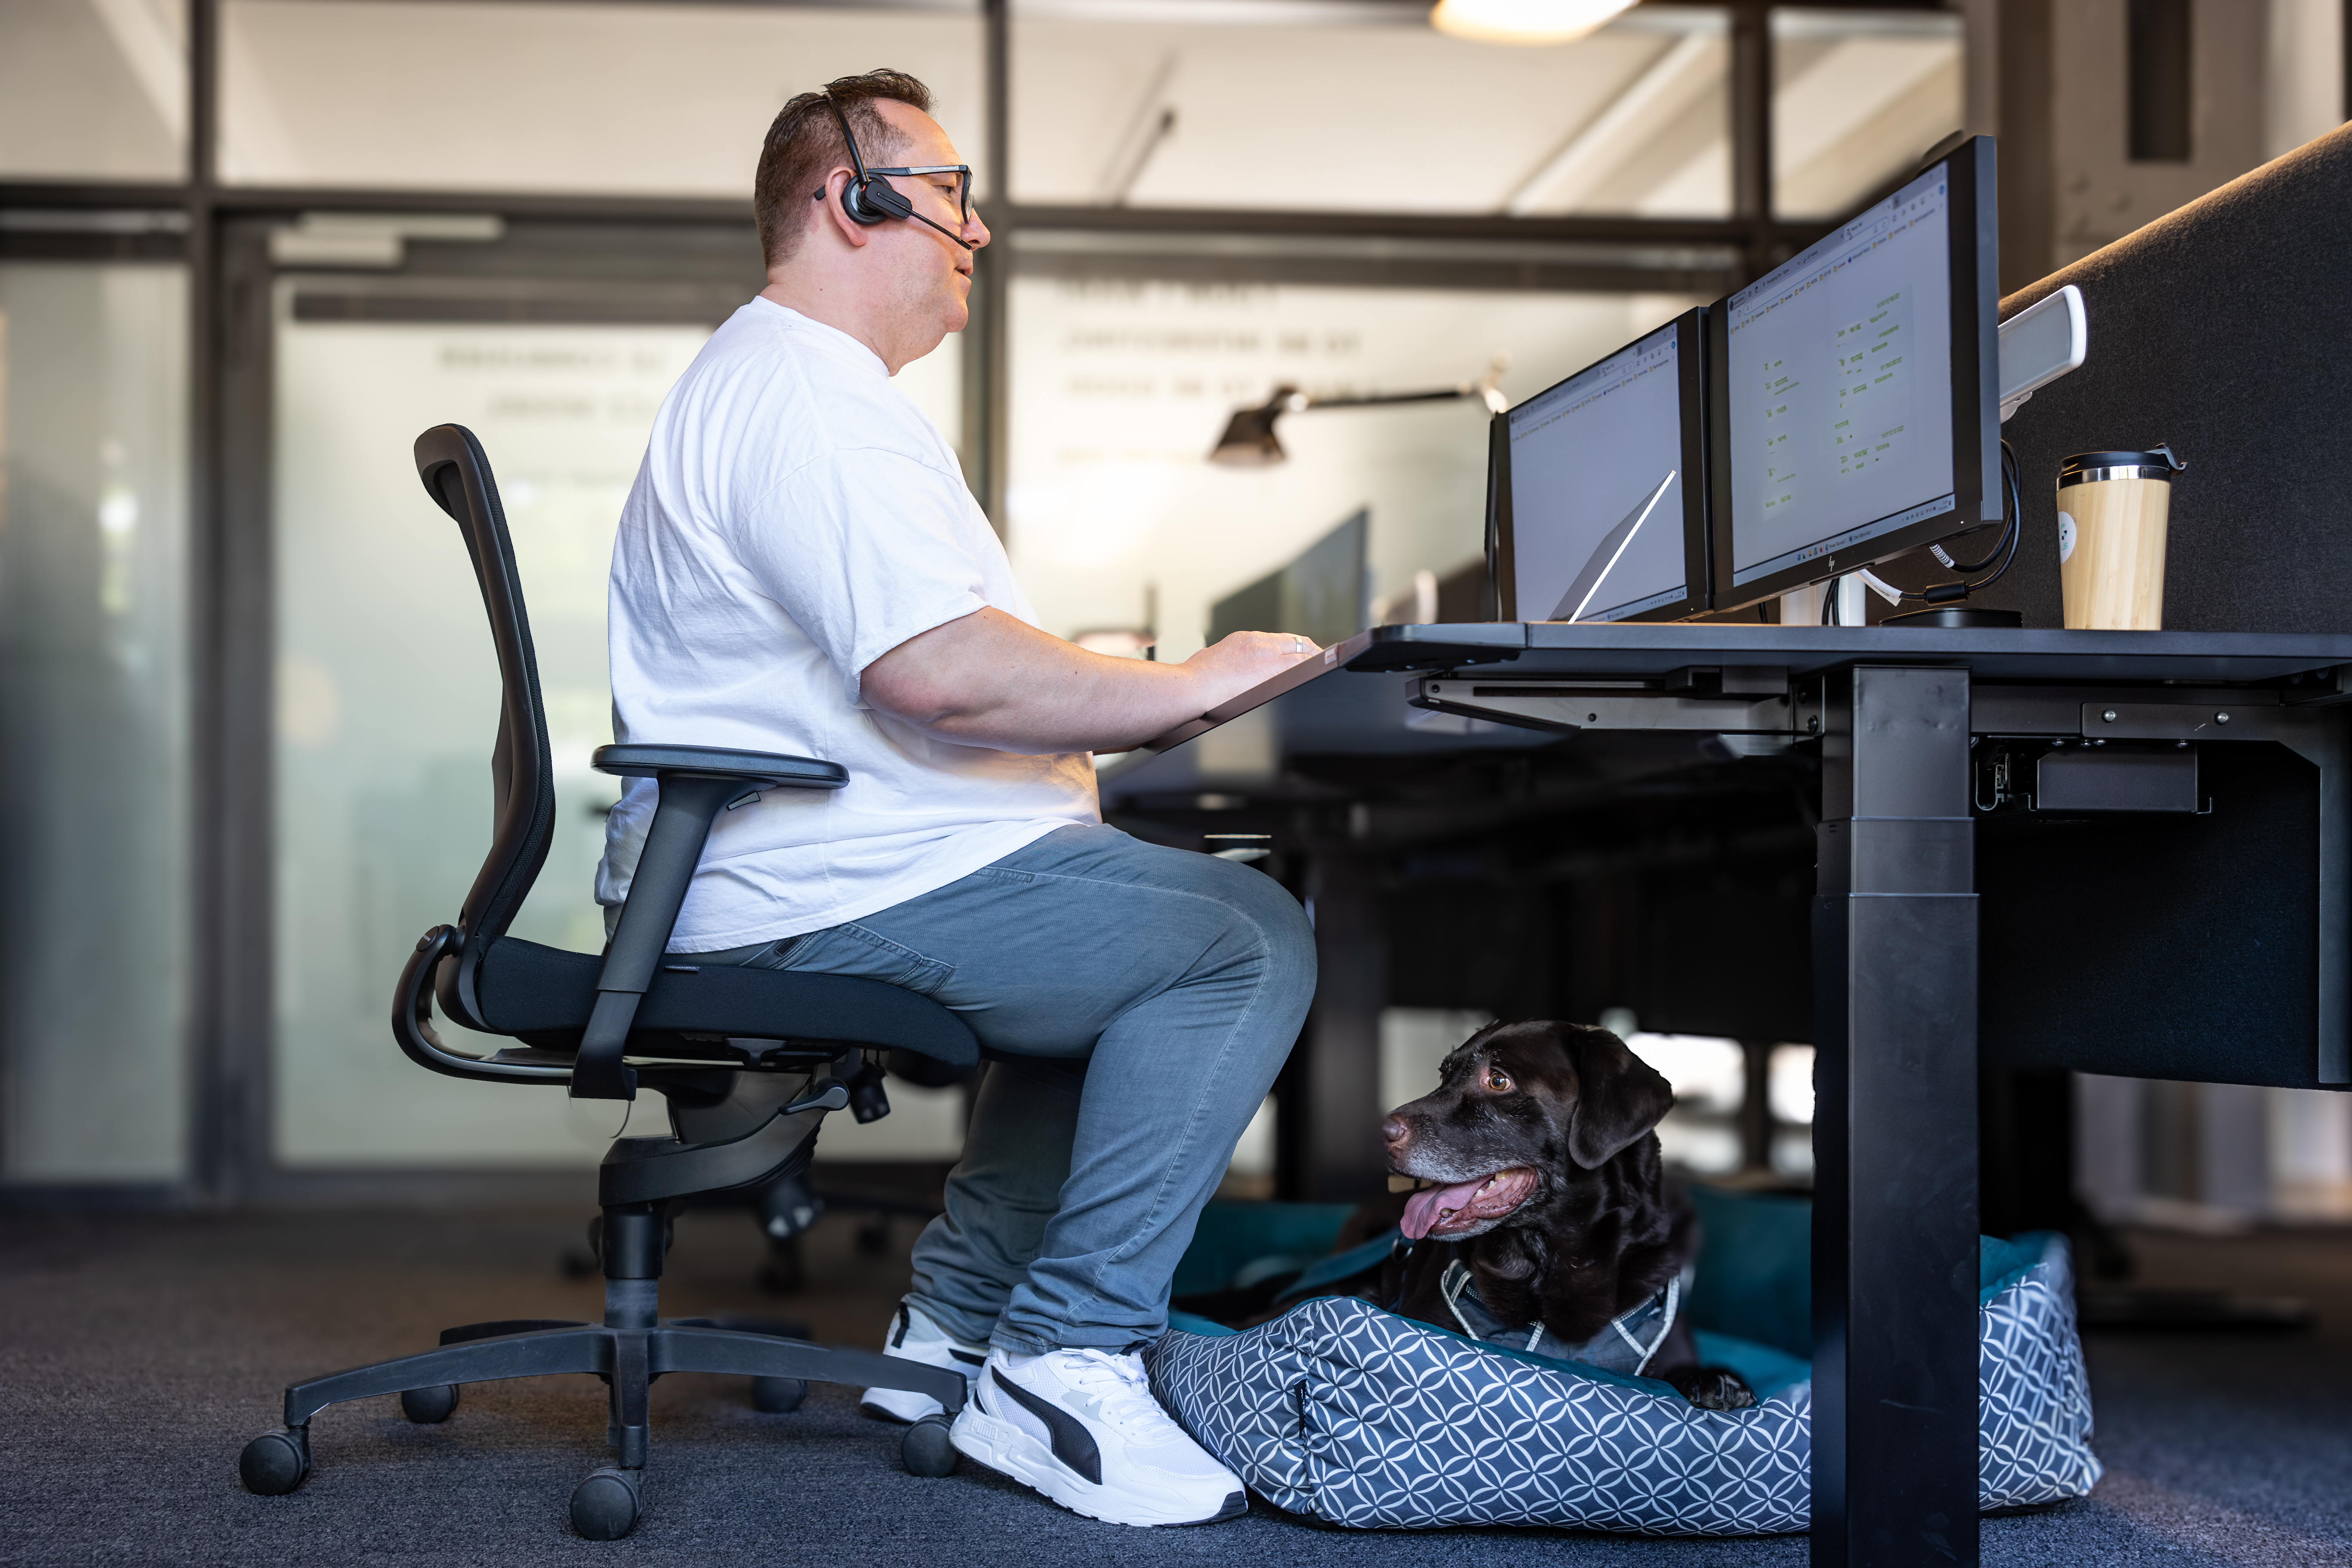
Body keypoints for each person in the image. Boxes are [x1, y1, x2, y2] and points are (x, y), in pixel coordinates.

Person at [596, 69, 1319, 1528]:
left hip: (824, 868)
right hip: (811, 893)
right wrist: (1185, 683)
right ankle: (1067, 1357)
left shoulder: (802, 389)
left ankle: (960, 1331)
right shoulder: (805, 395)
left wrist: (1122, 719)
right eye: (949, 197)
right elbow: (937, 673)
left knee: (1128, 952)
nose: (975, 235)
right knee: (1240, 936)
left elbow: (948, 669)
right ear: (849, 205)